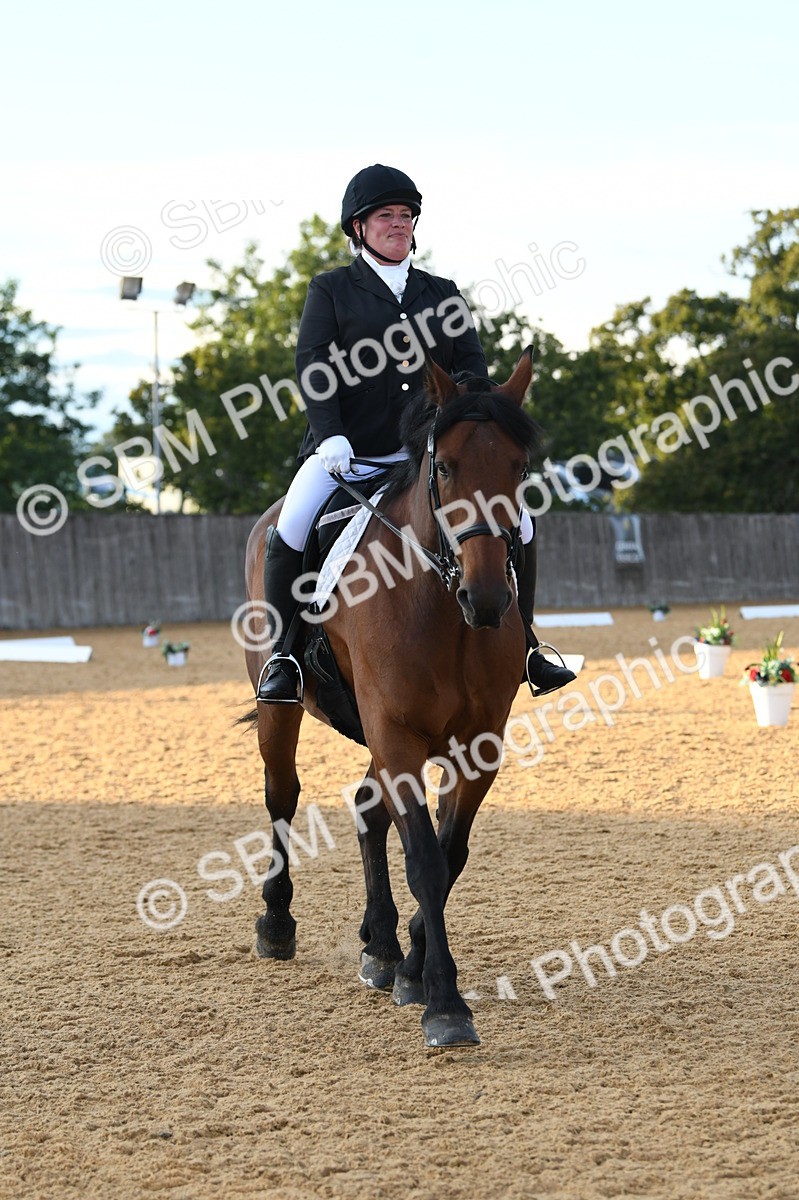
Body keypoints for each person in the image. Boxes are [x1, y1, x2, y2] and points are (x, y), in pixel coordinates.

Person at [257, 164, 574, 703]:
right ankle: (284, 655)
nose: (399, 224)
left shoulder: (442, 293)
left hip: (432, 459)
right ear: (359, 228)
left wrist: (477, 420)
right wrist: (330, 435)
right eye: (386, 216)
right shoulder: (332, 290)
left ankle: (527, 644)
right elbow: (314, 368)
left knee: (520, 522)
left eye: (406, 215)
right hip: (350, 454)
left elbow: (472, 370)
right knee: (290, 526)